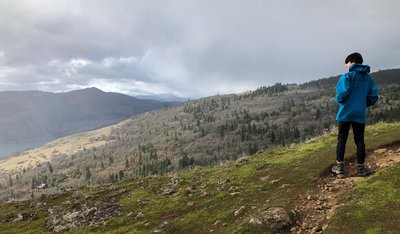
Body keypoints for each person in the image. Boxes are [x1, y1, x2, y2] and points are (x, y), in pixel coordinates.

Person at [331, 52, 379, 176]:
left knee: (342, 138)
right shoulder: (369, 79)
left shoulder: (347, 77)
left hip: (345, 113)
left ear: (352, 61)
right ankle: (361, 169)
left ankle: (340, 167)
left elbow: (341, 96)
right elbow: (373, 97)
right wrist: (362, 103)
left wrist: (341, 101)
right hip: (359, 114)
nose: (346, 66)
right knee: (360, 140)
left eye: (346, 63)